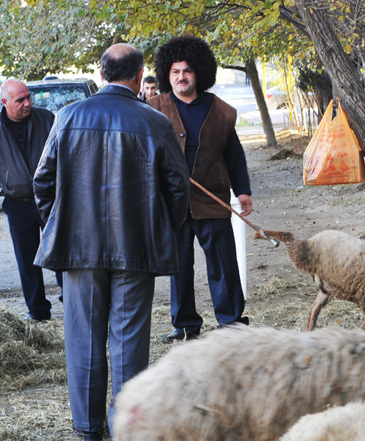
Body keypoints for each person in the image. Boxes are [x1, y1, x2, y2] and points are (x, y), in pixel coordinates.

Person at [33, 43, 189, 441]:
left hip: (78, 248)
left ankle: (88, 430)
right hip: (136, 247)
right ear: (139, 77)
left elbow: (42, 183)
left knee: (83, 340)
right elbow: (178, 190)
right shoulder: (154, 122)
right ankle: (126, 427)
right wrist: (161, 230)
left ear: (101, 75)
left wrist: (61, 223)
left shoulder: (67, 117)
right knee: (129, 341)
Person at [149, 36, 252, 343]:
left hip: (212, 201)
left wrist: (242, 191)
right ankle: (184, 325)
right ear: (167, 74)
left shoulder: (221, 111)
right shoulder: (154, 109)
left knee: (223, 265)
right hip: (173, 205)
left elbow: (234, 155)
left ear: (200, 73)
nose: (181, 77)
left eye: (188, 71)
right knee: (178, 267)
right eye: (175, 71)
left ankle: (231, 323)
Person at [0, 78, 61, 321]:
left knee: (60, 253)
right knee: (26, 260)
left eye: (29, 97)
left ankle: (71, 297)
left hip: (50, 198)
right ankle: (37, 311)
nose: (28, 103)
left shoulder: (46, 118)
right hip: (17, 201)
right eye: (20, 100)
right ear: (4, 102)